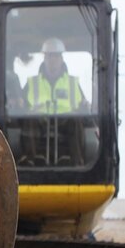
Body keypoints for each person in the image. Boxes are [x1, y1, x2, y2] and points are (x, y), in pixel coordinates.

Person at [19, 38, 88, 166]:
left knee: (76, 121)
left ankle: (76, 160)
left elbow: (83, 105)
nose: (53, 60)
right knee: (29, 119)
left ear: (62, 59)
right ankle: (29, 159)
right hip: (39, 121)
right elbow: (21, 104)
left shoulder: (73, 83)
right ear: (44, 59)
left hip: (66, 120)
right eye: (49, 56)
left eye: (56, 56)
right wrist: (19, 104)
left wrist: (85, 106)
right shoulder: (32, 83)